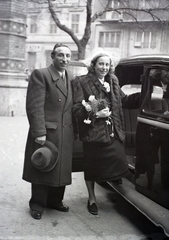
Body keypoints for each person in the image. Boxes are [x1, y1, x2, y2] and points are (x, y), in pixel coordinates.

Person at [71, 50, 140, 215]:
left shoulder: (113, 81)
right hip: (93, 133)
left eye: (107, 64)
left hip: (113, 131)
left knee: (118, 164)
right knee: (92, 168)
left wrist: (144, 94)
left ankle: (117, 193)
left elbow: (123, 101)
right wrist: (95, 114)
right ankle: (92, 198)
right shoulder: (81, 82)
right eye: (101, 64)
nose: (104, 67)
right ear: (93, 65)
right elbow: (76, 109)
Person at [22, 43, 74, 220]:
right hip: (47, 132)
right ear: (52, 56)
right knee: (43, 167)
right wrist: (39, 132)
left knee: (59, 168)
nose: (64, 59)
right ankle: (37, 204)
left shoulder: (69, 76)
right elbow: (34, 106)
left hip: (65, 132)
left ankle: (55, 201)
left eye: (68, 56)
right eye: (60, 55)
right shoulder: (41, 74)